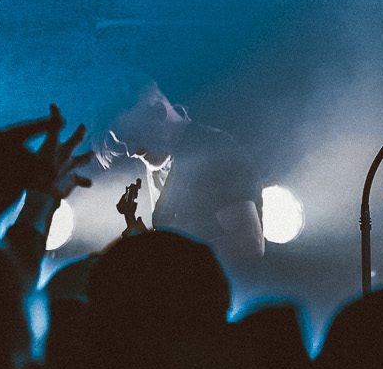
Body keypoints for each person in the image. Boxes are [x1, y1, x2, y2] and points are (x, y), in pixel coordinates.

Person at [101, 82, 265, 263]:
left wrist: (165, 258)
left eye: (134, 137)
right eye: (124, 143)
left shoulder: (211, 150)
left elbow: (248, 243)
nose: (131, 152)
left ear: (160, 112)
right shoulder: (161, 165)